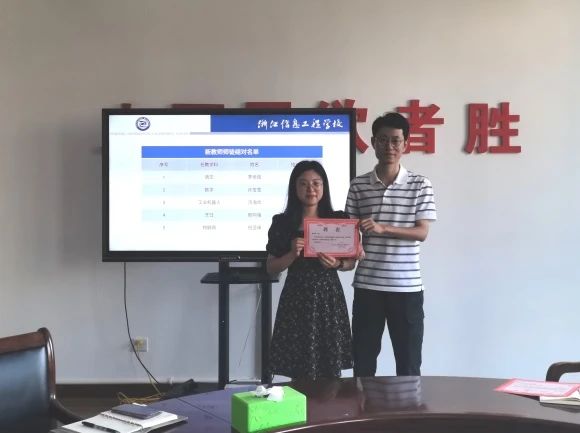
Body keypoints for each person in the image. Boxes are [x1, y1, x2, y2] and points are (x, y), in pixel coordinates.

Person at [346, 112, 437, 377]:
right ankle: (363, 406)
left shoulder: (420, 184)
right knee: (363, 363)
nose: (389, 146)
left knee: (408, 365)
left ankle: (407, 407)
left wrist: (383, 228)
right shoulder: (358, 185)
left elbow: (422, 232)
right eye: (383, 140)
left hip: (406, 288)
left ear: (405, 144)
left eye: (396, 140)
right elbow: (349, 233)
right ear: (373, 142)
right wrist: (348, 252)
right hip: (367, 286)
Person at [266, 160, 355, 381]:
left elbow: (351, 263)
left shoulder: (338, 220)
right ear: (294, 188)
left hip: (328, 298)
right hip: (296, 299)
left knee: (329, 368)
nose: (311, 189)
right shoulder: (282, 223)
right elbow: (270, 267)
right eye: (303, 183)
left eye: (316, 183)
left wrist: (337, 264)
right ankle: (301, 403)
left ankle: (329, 403)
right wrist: (291, 255)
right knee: (299, 368)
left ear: (324, 187)